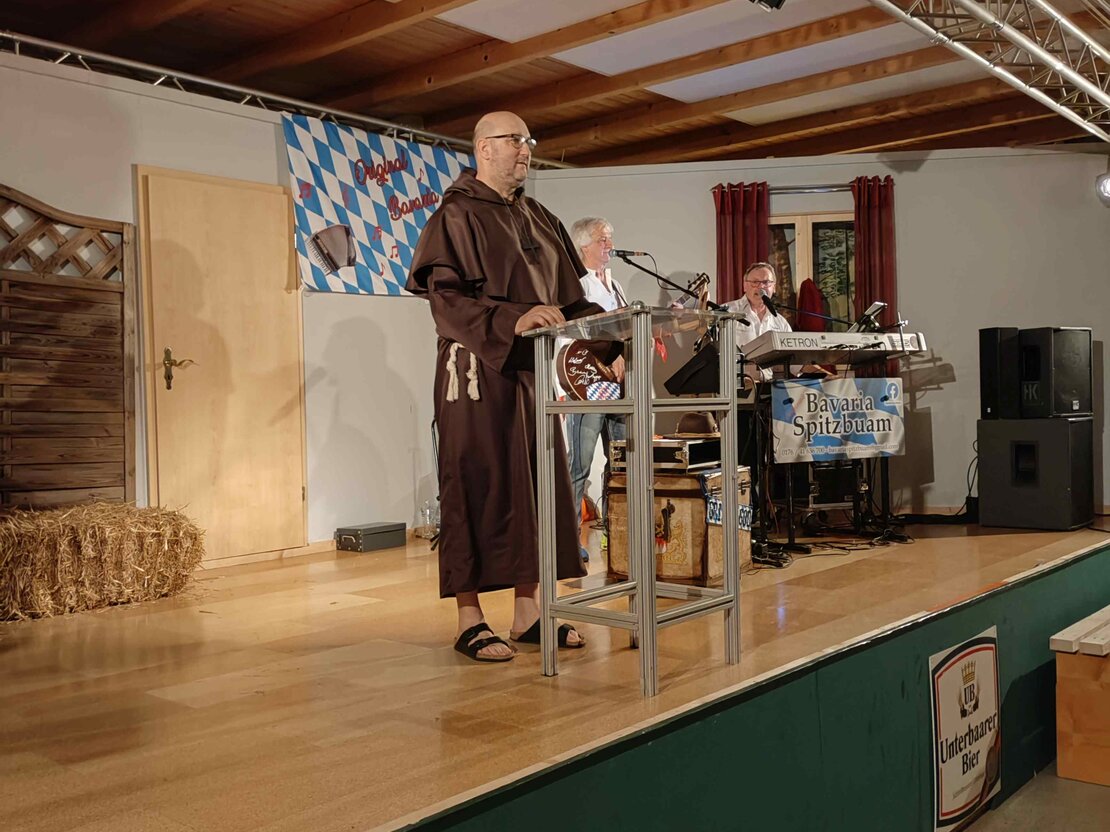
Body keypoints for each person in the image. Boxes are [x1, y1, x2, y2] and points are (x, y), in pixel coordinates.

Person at [407, 112, 617, 662]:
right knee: (473, 486)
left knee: (537, 488)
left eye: (529, 140)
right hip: (475, 374)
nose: (525, 149)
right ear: (484, 148)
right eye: (514, 140)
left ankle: (529, 613)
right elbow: (446, 301)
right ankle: (470, 619)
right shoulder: (455, 214)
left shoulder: (540, 217)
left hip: (530, 375)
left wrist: (616, 338)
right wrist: (512, 319)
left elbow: (571, 304)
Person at [563, 217, 627, 562]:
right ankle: (569, 541)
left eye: (610, 238)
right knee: (580, 465)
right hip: (588, 384)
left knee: (621, 465)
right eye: (603, 240)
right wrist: (612, 352)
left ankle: (620, 535)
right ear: (583, 245)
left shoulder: (615, 285)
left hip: (618, 386)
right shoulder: (576, 284)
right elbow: (579, 331)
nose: (609, 245)